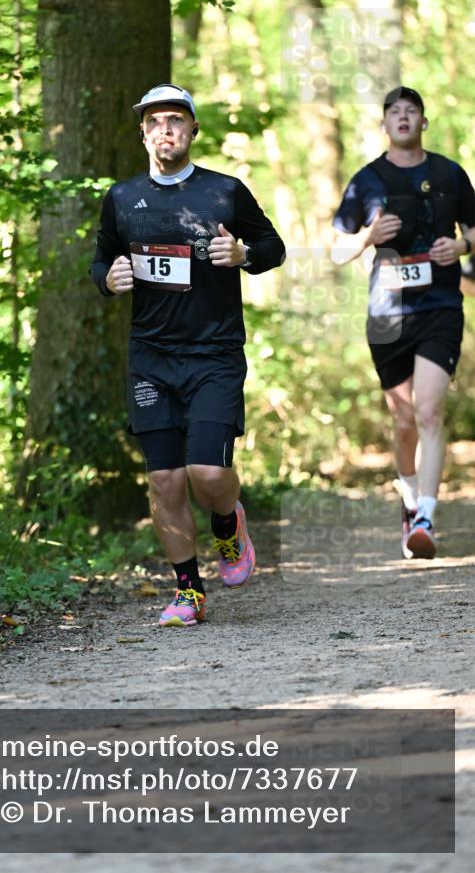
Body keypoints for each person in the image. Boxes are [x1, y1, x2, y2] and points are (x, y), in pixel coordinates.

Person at [90, 84, 285, 626]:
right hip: (151, 355)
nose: (165, 129)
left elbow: (274, 247)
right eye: (154, 122)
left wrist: (245, 254)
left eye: (175, 120)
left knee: (208, 471)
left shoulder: (225, 192)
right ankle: (187, 591)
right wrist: (108, 278)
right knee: (165, 481)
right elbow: (100, 258)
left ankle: (229, 524)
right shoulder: (123, 198)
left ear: (193, 129)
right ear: (143, 132)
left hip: (214, 354)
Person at [332, 86, 475, 559]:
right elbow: (336, 250)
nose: (403, 118)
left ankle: (427, 518)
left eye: (412, 111)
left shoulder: (450, 174)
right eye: (394, 112)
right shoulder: (366, 180)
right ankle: (410, 499)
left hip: (439, 307)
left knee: (430, 409)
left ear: (423, 122)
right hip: (388, 314)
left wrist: (461, 248)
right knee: (404, 417)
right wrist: (370, 234)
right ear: (384, 125)